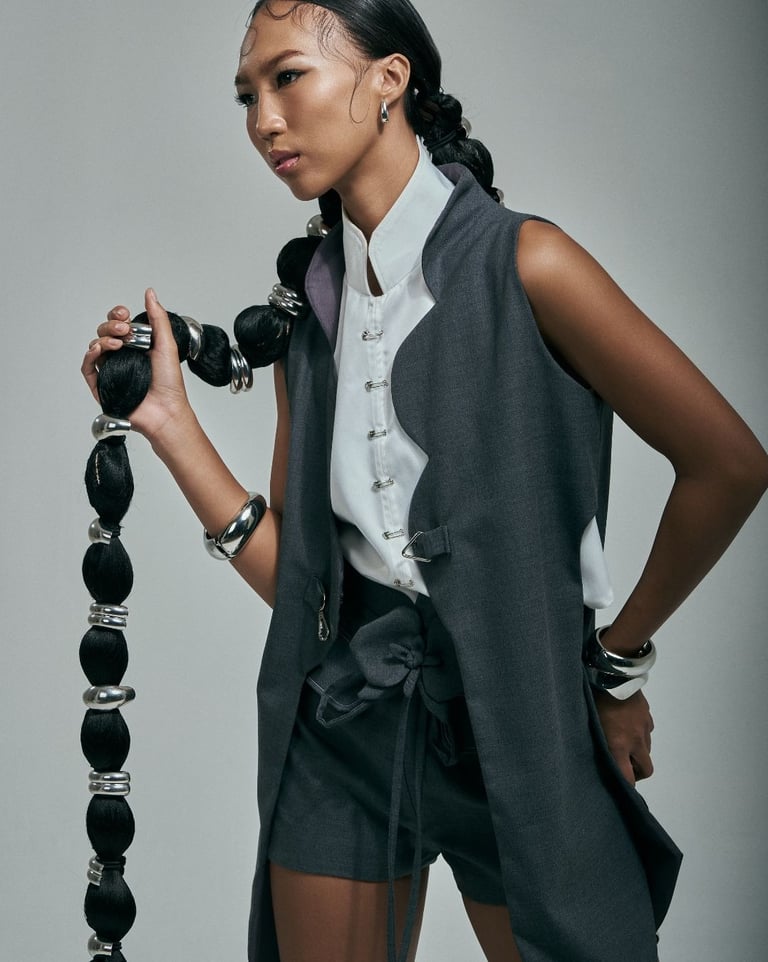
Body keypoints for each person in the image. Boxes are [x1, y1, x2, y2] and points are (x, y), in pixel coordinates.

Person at [80, 1, 768, 960]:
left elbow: (730, 466)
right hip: (342, 727)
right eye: (247, 95)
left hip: (519, 723)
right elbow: (302, 590)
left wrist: (617, 663)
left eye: (288, 78)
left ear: (388, 80)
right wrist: (171, 427)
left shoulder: (530, 263)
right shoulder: (307, 313)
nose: (262, 121)